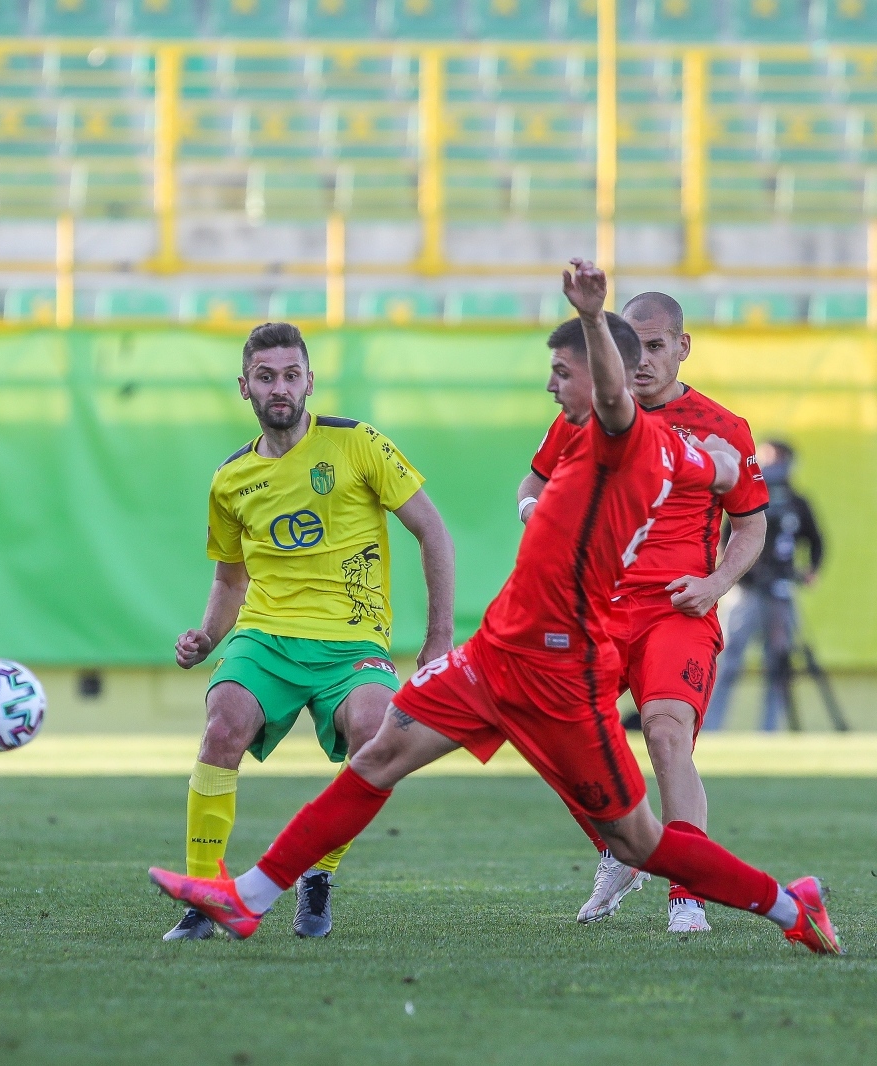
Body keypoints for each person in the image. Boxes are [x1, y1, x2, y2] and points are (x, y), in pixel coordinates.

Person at [148, 259, 842, 957]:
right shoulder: (654, 445)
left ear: (603, 381)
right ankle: (249, 898)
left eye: (561, 372)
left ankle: (788, 904)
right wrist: (720, 465)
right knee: (379, 755)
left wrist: (597, 320)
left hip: (557, 671)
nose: (550, 384)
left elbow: (641, 414)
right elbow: (714, 467)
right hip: (495, 653)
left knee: (639, 840)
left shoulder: (621, 434)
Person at [165, 321, 456, 941]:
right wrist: (207, 637)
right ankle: (202, 898)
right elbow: (229, 581)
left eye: (291, 375)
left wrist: (438, 641)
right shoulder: (231, 478)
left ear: (309, 382)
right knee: (223, 726)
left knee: (377, 733)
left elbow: (434, 533)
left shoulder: (359, 445)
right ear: (244, 387)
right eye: (266, 377)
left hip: (352, 642)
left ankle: (316, 874)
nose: (280, 388)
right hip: (266, 637)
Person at [516, 291, 768, 934]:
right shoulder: (588, 415)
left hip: (673, 610)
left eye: (657, 346)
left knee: (664, 733)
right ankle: (615, 851)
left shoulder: (720, 426)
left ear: (683, 347)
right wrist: (535, 516)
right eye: (634, 345)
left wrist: (714, 585)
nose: (643, 360)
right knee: (554, 735)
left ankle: (687, 893)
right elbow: (535, 485)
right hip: (593, 608)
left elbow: (750, 526)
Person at [709, 440, 825, 731]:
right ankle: (709, 727)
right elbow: (726, 536)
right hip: (745, 592)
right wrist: (729, 572)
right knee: (727, 660)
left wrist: (811, 569)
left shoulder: (797, 502)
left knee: (779, 664)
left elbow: (816, 539)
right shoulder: (749, 495)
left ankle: (770, 729)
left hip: (781, 592)